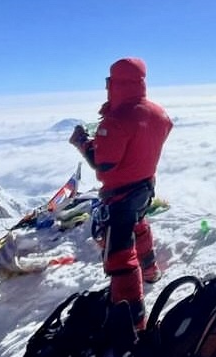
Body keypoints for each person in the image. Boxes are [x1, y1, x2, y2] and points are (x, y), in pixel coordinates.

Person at [69, 57, 173, 329]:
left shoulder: (116, 120)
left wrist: (83, 142)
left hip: (120, 194)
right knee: (138, 224)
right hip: (145, 186)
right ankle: (150, 271)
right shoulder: (158, 113)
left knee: (119, 252)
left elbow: (103, 163)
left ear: (115, 83)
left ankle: (133, 319)